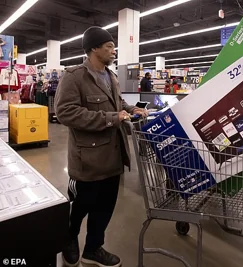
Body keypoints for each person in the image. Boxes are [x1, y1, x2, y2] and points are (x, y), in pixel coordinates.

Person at [55, 26, 148, 267]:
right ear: (94, 48)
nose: (113, 50)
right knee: (80, 205)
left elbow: (118, 103)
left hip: (113, 157)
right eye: (109, 46)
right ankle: (69, 238)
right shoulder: (74, 76)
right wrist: (111, 117)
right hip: (87, 160)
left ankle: (93, 248)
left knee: (105, 208)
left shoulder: (112, 76)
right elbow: (65, 112)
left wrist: (131, 110)